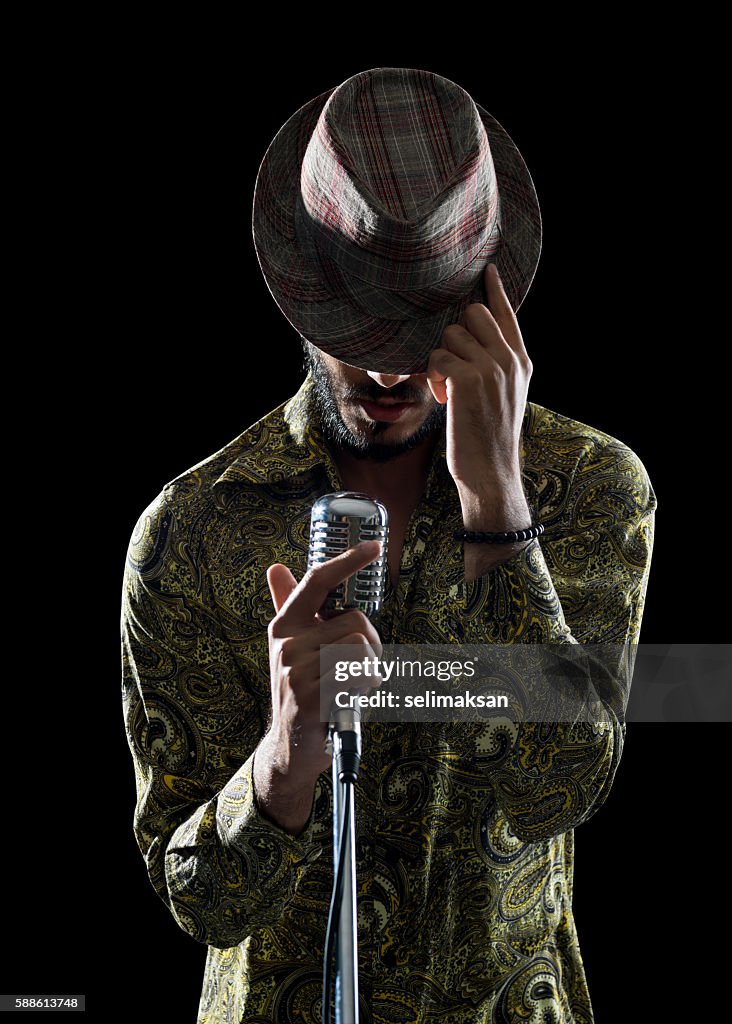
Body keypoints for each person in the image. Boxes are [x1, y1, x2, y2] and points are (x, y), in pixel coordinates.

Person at [120, 68, 656, 1023]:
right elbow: (200, 899)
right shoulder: (194, 530)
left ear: (493, 299)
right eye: (358, 324)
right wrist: (283, 758)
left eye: (423, 323)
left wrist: (497, 502)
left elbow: (557, 790)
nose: (383, 367)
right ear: (302, 291)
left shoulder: (589, 490)